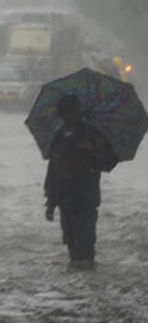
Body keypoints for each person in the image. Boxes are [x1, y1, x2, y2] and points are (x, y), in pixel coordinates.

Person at [44, 94, 118, 268]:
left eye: (70, 112)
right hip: (65, 199)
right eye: (64, 113)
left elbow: (110, 161)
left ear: (77, 112)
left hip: (86, 198)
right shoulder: (58, 137)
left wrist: (93, 153)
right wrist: (51, 203)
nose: (67, 116)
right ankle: (77, 278)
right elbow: (53, 170)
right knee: (70, 241)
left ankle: (86, 277)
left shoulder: (92, 134)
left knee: (85, 242)